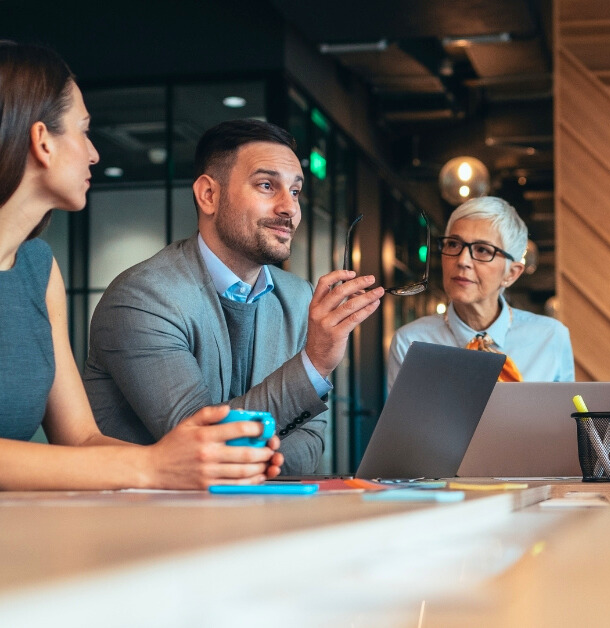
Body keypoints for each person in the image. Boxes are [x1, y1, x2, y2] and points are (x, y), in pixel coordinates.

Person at [0, 41, 282, 489]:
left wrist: (194, 462)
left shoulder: (38, 269)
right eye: (84, 131)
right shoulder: (142, 295)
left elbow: (80, 439)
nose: (94, 153)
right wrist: (151, 467)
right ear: (42, 142)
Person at [82, 119, 385, 474]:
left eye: (296, 191)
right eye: (267, 185)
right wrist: (314, 364)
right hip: (151, 522)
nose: (289, 207)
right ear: (209, 195)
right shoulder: (143, 298)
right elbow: (206, 443)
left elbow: (312, 438)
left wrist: (249, 462)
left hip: (259, 519)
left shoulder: (299, 296)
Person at [387, 196, 573, 388]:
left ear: (511, 273)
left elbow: (565, 417)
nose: (462, 260)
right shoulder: (410, 342)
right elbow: (402, 419)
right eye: (453, 244)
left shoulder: (551, 337)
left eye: (483, 250)